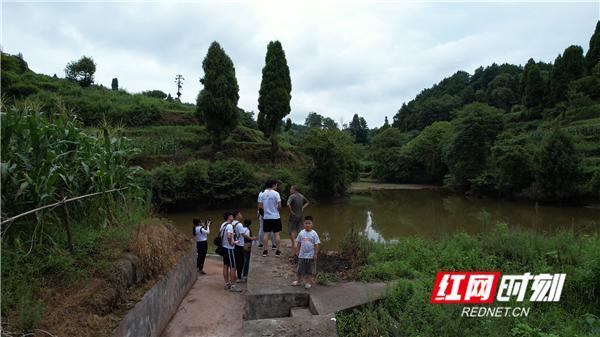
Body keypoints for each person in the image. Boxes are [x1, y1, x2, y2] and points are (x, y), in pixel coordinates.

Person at [292, 216, 320, 289]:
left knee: (309, 270)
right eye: (306, 223)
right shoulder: (301, 232)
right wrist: (297, 251)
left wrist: (315, 254)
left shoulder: (314, 233)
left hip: (310, 256)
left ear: (312, 224)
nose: (307, 225)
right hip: (302, 255)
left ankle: (308, 282)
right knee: (299, 269)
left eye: (309, 223)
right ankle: (298, 281)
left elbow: (316, 244)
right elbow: (299, 243)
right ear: (303, 224)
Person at [258, 180, 282, 257]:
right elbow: (280, 205)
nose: (276, 187)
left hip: (266, 217)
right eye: (276, 185)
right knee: (277, 234)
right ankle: (277, 251)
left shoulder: (262, 193)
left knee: (266, 234)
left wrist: (266, 212)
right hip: (275, 217)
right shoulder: (276, 193)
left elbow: (260, 206)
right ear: (273, 185)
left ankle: (265, 251)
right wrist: (276, 211)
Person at [219, 212, 242, 292]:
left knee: (225, 266)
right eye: (232, 216)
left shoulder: (223, 224)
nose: (233, 217)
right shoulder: (229, 226)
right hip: (229, 248)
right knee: (233, 267)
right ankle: (233, 285)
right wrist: (231, 243)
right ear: (229, 217)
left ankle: (227, 284)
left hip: (224, 247)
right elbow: (229, 236)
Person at [287, 185, 310, 251]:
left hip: (293, 216)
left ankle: (293, 244)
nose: (290, 190)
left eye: (291, 189)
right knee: (299, 229)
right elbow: (308, 202)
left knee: (291, 230)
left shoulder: (292, 196)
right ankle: (301, 244)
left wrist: (291, 211)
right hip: (300, 215)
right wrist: (302, 207)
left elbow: (288, 204)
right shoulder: (301, 196)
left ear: (294, 190)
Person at [257, 183, 275, 249]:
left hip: (262, 213)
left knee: (261, 228)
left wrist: (258, 212)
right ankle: (274, 244)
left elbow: (259, 204)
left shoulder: (261, 193)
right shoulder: (274, 193)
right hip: (271, 214)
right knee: (272, 229)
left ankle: (260, 244)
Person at [232, 210, 246, 282]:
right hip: (239, 245)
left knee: (235, 261)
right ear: (237, 215)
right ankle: (239, 277)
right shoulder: (239, 224)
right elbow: (243, 234)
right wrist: (252, 238)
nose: (241, 215)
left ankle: (233, 276)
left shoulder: (231, 223)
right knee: (240, 261)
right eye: (240, 214)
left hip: (233, 244)